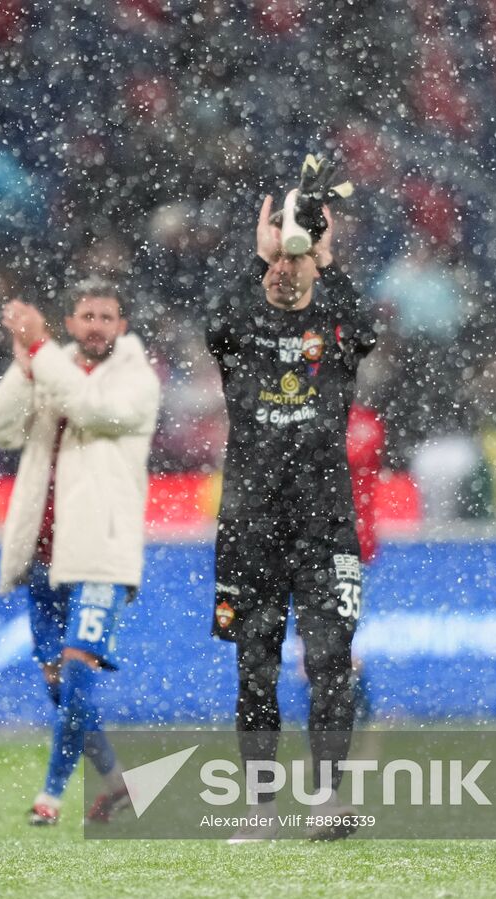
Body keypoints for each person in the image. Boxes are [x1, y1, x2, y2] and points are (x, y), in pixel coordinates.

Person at [206, 194, 376, 842]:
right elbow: (215, 323)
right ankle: (260, 808)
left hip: (325, 523)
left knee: (332, 658)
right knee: (255, 663)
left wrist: (325, 256)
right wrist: (259, 252)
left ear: (313, 266)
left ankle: (328, 800)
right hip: (251, 526)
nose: (285, 268)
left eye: (294, 259)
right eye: (276, 259)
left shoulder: (334, 331)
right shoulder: (242, 331)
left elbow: (365, 326)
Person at [0, 276, 160, 826]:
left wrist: (40, 352)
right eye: (87, 316)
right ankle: (120, 783)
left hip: (100, 552)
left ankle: (50, 797)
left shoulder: (137, 380)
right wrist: (23, 363)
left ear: (122, 326)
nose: (97, 326)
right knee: (59, 684)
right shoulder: (51, 367)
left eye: (107, 317)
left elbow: (92, 411)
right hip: (44, 554)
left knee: (77, 671)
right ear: (72, 324)